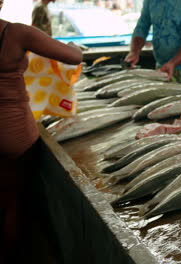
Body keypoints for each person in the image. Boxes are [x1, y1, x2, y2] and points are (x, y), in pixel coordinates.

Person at [0, 0, 82, 261]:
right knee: (14, 202)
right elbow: (74, 57)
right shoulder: (15, 33)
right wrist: (72, 45)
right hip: (12, 133)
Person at [125, 0, 181, 95]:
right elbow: (142, 27)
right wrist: (134, 52)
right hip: (162, 68)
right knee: (162, 107)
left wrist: (173, 63)